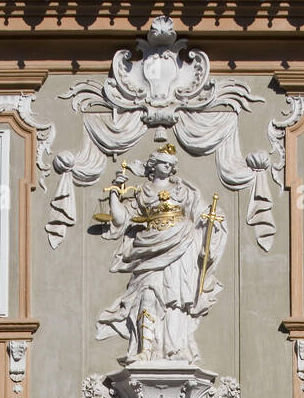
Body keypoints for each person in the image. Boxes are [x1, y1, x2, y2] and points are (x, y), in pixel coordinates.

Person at [96, 146, 226, 365]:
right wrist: (115, 195)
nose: (169, 166)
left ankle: (175, 349)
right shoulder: (142, 192)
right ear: (152, 165)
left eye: (171, 163)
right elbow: (121, 220)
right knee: (146, 295)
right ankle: (145, 350)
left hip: (182, 246)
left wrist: (210, 228)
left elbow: (205, 214)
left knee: (174, 301)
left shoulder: (185, 190)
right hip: (150, 250)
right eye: (163, 162)